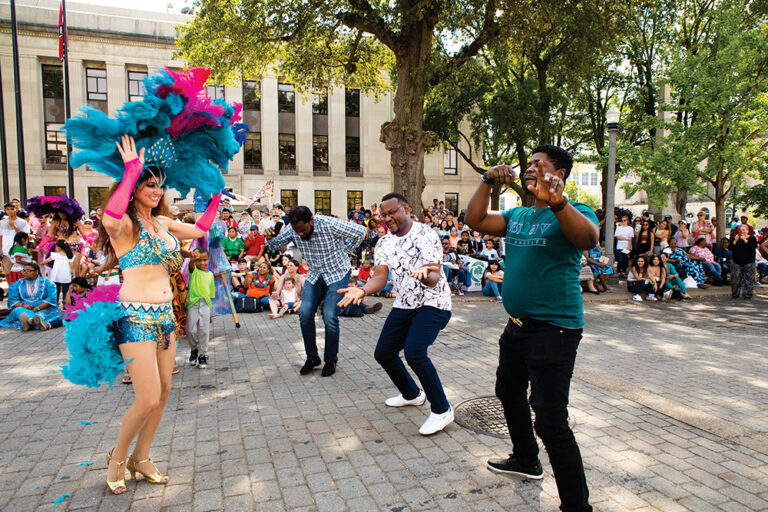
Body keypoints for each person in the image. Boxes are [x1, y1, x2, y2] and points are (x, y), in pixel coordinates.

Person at [464, 144, 597, 511]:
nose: (531, 168)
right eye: (530, 163)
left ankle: (576, 505)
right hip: (517, 328)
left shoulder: (573, 211)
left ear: (560, 175)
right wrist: (487, 179)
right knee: (507, 390)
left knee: (551, 419)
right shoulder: (518, 215)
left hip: (554, 330)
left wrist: (558, 204)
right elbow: (474, 220)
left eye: (541, 164)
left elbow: (588, 239)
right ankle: (526, 459)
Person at [93, 135, 222, 494]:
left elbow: (199, 229)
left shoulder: (162, 223)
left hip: (165, 317)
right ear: (133, 188)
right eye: (148, 184)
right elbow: (109, 216)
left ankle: (142, 457)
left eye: (158, 185)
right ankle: (118, 458)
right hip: (133, 318)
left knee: (164, 393)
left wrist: (213, 196)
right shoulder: (124, 225)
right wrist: (131, 168)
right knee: (146, 397)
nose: (155, 189)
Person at [338, 193, 454, 435]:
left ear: (407, 209)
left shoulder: (426, 234)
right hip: (404, 304)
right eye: (384, 215)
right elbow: (380, 278)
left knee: (415, 353)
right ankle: (412, 394)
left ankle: (442, 410)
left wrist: (425, 273)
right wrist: (362, 290)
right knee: (384, 353)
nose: (387, 218)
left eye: (392, 213)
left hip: (434, 302)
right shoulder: (383, 243)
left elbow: (434, 275)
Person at [264, 206, 366, 377]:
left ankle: (330, 359)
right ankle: (312, 358)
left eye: (303, 230)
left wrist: (347, 250)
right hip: (315, 274)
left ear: (311, 220)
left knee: (329, 316)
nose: (301, 235)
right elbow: (275, 245)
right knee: (304, 314)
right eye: (298, 232)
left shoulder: (328, 223)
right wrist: (269, 236)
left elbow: (361, 231)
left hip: (337, 272)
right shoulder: (293, 229)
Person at [0, 262, 62, 331]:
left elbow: (51, 299)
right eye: (23, 270)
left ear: (36, 272)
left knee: (40, 315)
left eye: (28, 271)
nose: (24, 272)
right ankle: (31, 321)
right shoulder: (16, 285)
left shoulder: (48, 283)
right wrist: (23, 305)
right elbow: (12, 300)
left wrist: (37, 308)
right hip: (24, 308)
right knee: (18, 310)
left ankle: (29, 322)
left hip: (43, 308)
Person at [187, 248, 215, 369]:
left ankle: (202, 354)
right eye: (199, 260)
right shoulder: (193, 272)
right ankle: (194, 350)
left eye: (205, 260)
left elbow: (211, 292)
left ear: (208, 260)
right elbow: (192, 265)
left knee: (204, 331)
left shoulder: (210, 275)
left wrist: (209, 304)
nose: (202, 263)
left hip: (205, 304)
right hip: (193, 304)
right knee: (191, 330)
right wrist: (193, 259)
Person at [0, 202, 30, 277]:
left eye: (12, 209)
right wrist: (0, 249)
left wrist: (15, 227)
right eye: (7, 209)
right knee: (7, 272)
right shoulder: (2, 223)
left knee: (20, 272)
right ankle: (10, 287)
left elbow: (25, 236)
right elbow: (1, 236)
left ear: (16, 209)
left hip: (19, 251)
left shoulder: (23, 222)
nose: (10, 211)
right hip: (6, 251)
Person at [42, 240, 75, 307]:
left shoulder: (55, 255)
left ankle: (55, 304)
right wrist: (74, 274)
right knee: (65, 291)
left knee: (56, 291)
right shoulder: (69, 256)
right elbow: (72, 266)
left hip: (56, 276)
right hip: (66, 276)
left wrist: (40, 263)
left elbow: (46, 261)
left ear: (59, 247)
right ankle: (66, 305)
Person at [730, 225, 757, 299]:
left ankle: (747, 294)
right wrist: (735, 241)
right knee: (735, 279)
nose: (742, 231)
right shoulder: (735, 238)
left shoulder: (752, 238)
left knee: (748, 279)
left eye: (744, 230)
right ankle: (735, 294)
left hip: (749, 261)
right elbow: (730, 247)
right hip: (736, 261)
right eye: (740, 230)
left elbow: (752, 247)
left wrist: (745, 240)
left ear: (748, 231)